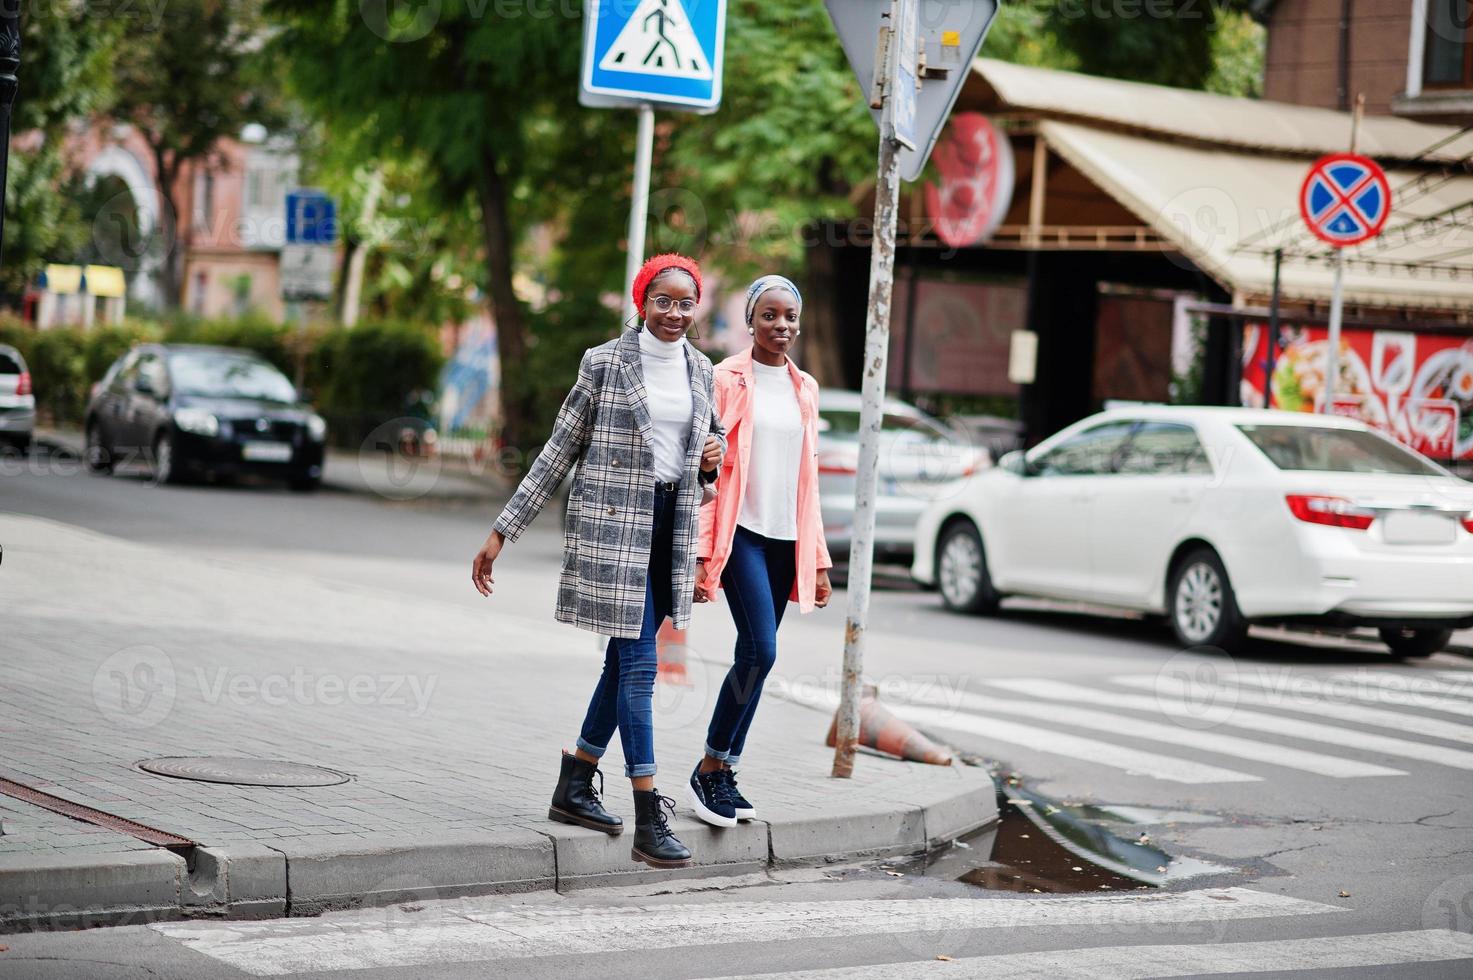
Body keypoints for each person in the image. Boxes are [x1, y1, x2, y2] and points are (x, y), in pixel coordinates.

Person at [471, 253, 725, 868]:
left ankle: (575, 783)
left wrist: (711, 465)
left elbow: (705, 472)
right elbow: (560, 450)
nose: (674, 312)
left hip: (670, 528)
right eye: (662, 300)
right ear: (642, 301)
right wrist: (504, 531)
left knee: (622, 663)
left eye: (685, 303)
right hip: (613, 529)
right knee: (640, 665)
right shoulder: (605, 362)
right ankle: (646, 815)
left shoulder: (702, 369)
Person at [689, 274, 833, 828]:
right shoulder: (724, 378)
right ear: (750, 320)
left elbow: (809, 481)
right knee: (761, 650)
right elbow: (708, 469)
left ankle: (724, 770)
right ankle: (708, 766)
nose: (782, 326)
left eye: (790, 317)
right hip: (741, 532)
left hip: (786, 538)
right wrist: (704, 551)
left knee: (757, 659)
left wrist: (817, 561)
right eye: (769, 315)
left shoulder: (806, 389)